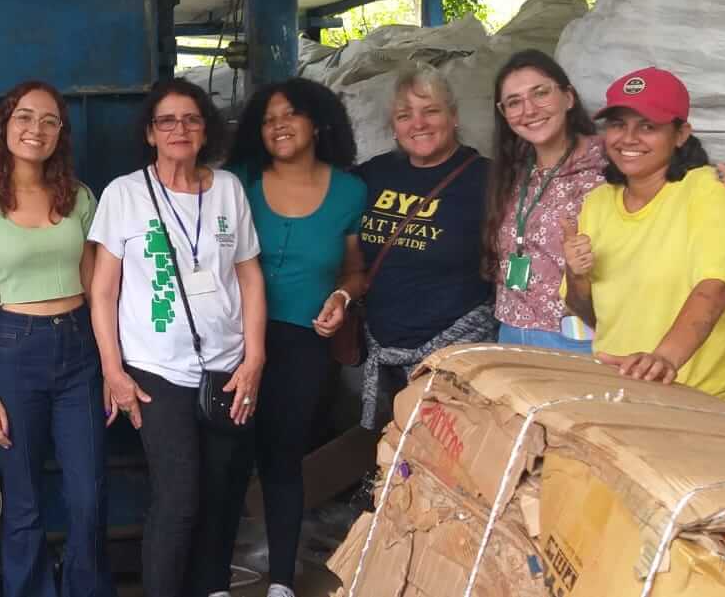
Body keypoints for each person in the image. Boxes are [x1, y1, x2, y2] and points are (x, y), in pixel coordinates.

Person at [88, 79, 265, 597]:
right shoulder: (125, 194)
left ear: (205, 127)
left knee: (218, 492)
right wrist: (112, 370)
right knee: (179, 495)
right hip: (154, 369)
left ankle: (213, 587)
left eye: (190, 119)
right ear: (150, 133)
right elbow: (103, 292)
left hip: (228, 366)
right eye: (167, 121)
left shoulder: (229, 188)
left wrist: (254, 358)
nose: (179, 129)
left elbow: (250, 276)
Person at [486, 50, 725, 352]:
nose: (529, 109)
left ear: (569, 97)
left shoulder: (619, 159)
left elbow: (716, 231)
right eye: (514, 102)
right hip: (514, 327)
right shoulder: (513, 170)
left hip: (584, 335)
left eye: (540, 93)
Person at [0, 81, 109, 597]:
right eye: (25, 117)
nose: (35, 130)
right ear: (5, 126)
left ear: (60, 134)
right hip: (14, 350)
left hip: (78, 347)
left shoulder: (80, 196)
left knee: (88, 496)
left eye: (49, 121)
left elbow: (96, 287)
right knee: (23, 502)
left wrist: (114, 365)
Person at [224, 78, 364, 597]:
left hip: (304, 345)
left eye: (291, 115)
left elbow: (354, 271)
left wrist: (342, 299)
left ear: (317, 122)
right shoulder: (238, 181)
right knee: (230, 459)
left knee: (283, 460)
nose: (279, 126)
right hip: (235, 342)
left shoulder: (349, 191)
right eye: (268, 118)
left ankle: (281, 580)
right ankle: (216, 574)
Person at [562, 67, 725, 410]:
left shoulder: (709, 192)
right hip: (630, 398)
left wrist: (663, 359)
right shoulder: (597, 204)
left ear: (680, 134)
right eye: (618, 124)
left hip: (714, 403)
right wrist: (577, 275)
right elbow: (590, 313)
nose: (628, 138)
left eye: (648, 126)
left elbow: (714, 290)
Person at [355, 63, 494, 430]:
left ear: (454, 116)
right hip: (385, 351)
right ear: (393, 126)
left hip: (455, 354)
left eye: (431, 110)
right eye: (405, 115)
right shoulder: (374, 174)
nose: (418, 124)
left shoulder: (487, 179)